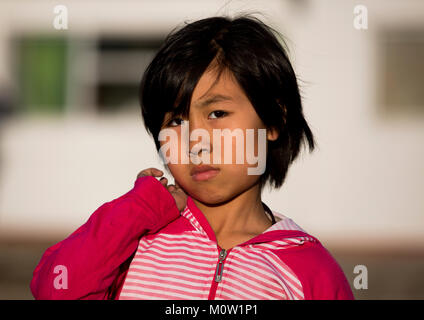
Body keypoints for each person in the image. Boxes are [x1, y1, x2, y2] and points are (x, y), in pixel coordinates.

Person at [30, 14, 354, 300]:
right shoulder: (134, 243)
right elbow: (55, 289)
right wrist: (139, 210)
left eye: (217, 112)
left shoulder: (311, 272)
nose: (195, 142)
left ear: (273, 120)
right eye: (175, 122)